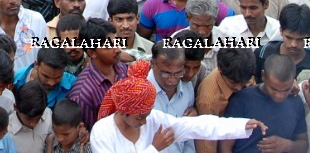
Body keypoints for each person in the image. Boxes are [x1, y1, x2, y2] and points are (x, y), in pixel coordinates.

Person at [87, 59, 261, 152]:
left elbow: (196, 126)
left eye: (147, 115)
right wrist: (155, 149)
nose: (145, 122)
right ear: (123, 112)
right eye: (140, 117)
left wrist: (241, 124)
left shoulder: (155, 120)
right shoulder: (102, 132)